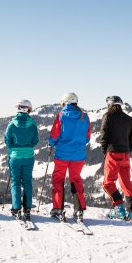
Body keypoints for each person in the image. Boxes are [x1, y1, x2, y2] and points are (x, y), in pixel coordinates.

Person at [48, 92, 91, 222]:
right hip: (78, 156)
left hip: (62, 155)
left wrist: (51, 143)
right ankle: (79, 210)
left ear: (65, 102)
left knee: (58, 180)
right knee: (76, 180)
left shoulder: (61, 116)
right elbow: (87, 138)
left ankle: (58, 209)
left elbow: (55, 135)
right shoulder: (85, 117)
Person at [99, 95, 132, 220]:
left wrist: (105, 152)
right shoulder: (128, 118)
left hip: (112, 153)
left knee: (107, 184)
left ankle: (120, 209)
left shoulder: (108, 116)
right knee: (126, 182)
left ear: (110, 104)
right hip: (125, 154)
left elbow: (103, 136)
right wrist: (127, 150)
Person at [4, 99, 39, 221]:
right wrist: (27, 147)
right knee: (27, 182)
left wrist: (14, 148)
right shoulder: (33, 124)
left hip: (15, 157)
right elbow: (35, 141)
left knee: (15, 182)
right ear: (27, 109)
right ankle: (27, 208)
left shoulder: (12, 124)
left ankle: (16, 208)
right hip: (28, 157)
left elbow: (7, 140)